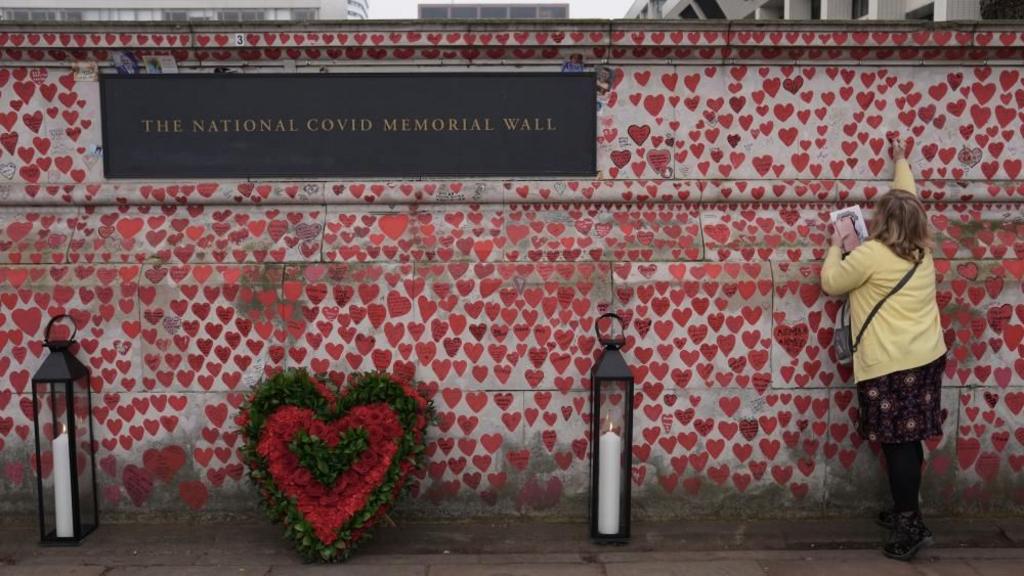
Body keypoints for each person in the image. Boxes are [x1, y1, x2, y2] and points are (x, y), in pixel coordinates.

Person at [821, 138, 947, 562]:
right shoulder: (922, 251)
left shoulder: (871, 255)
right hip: (927, 357)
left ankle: (910, 525)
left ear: (883, 222)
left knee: (897, 444)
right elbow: (909, 196)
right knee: (910, 440)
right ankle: (904, 509)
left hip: (891, 365)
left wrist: (837, 243)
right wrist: (900, 160)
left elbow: (832, 282)